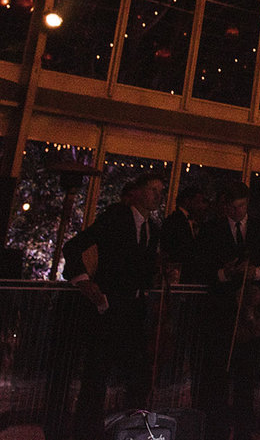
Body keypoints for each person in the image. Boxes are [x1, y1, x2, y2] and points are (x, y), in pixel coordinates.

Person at [64, 171, 164, 440]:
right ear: (139, 192)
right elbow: (74, 246)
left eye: (160, 191)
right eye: (153, 189)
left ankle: (132, 431)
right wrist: (85, 282)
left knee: (137, 376)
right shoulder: (117, 217)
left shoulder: (152, 229)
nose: (158, 195)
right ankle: (88, 433)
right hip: (109, 309)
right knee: (97, 376)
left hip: (133, 310)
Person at [195, 181, 260, 440]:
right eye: (232, 207)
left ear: (247, 204)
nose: (236, 212)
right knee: (218, 375)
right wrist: (224, 273)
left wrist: (256, 272)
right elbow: (200, 266)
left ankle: (245, 429)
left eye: (240, 206)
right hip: (221, 314)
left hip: (251, 314)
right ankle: (215, 430)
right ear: (225, 207)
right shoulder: (211, 230)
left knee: (247, 376)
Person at [160, 184, 206, 282]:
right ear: (187, 201)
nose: (201, 206)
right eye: (198, 202)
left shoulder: (191, 221)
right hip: (177, 274)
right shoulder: (175, 221)